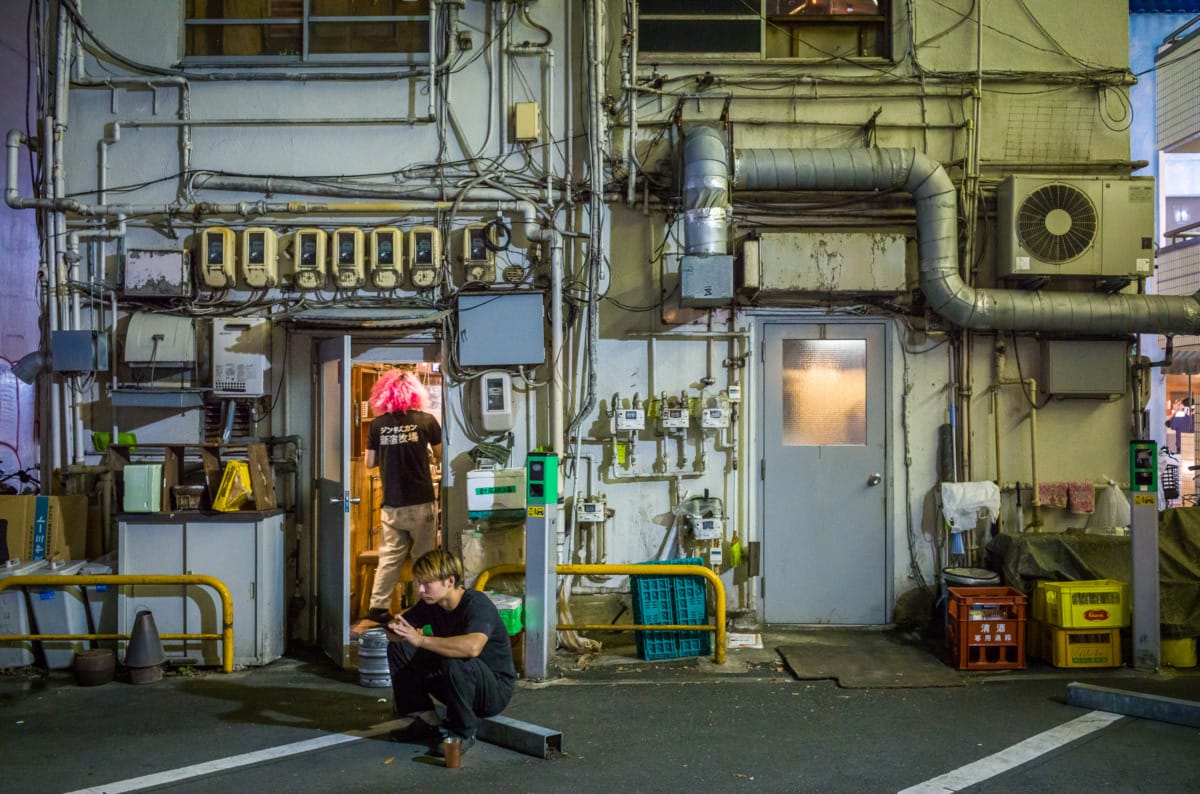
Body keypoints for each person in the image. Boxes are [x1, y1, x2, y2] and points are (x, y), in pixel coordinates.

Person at [386, 549, 517, 756]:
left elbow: (472, 647)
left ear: (449, 581)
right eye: (419, 582)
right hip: (456, 682)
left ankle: (463, 732)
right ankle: (427, 720)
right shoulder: (431, 603)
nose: (420, 589)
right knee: (400, 648)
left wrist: (420, 639)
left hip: (492, 692)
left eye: (426, 583)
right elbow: (401, 631)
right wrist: (396, 629)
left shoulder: (477, 604)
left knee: (455, 657)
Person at [364, 369, 442, 625]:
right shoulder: (427, 421)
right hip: (421, 500)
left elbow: (369, 462)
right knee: (423, 557)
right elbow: (441, 455)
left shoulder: (377, 425)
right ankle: (424, 607)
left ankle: (378, 607)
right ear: (414, 392)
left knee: (389, 557)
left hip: (392, 503)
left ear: (383, 394)